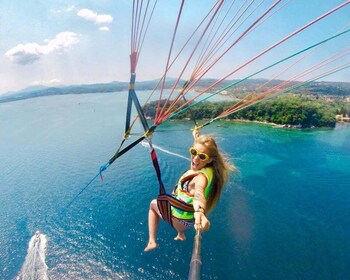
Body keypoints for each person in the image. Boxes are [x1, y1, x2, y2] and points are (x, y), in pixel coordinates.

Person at [144, 133, 235, 252]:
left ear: (209, 160)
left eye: (202, 157)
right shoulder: (210, 170)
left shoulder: (200, 178)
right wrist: (196, 136)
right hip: (188, 221)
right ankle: (180, 234)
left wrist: (199, 212)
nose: (196, 158)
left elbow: (199, 194)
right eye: (193, 152)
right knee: (172, 202)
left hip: (179, 220)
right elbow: (198, 155)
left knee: (152, 204)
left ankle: (152, 241)